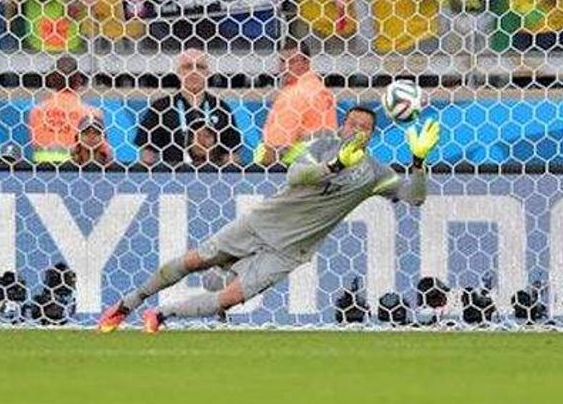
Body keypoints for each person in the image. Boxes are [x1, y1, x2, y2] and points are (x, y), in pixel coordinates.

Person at [100, 107, 441, 332]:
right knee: (194, 260)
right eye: (353, 123)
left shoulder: (375, 173)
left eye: (364, 128)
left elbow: (416, 197)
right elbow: (295, 176)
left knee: (231, 297)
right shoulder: (322, 147)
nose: (357, 130)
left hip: (290, 250)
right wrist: (334, 165)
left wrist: (418, 161)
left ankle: (161, 315)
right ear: (342, 125)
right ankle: (128, 304)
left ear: (371, 136)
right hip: (261, 223)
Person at [135, 48, 241, 167]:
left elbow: (231, 155)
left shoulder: (221, 108)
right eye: (188, 66)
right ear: (178, 72)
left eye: (200, 67)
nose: (194, 72)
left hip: (211, 176)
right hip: (173, 176)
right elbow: (148, 155)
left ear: (208, 73)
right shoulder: (161, 108)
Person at [257, 43, 338, 163]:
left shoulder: (296, 94)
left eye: (292, 61)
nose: (285, 67)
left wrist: (262, 170)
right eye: (282, 61)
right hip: (321, 165)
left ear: (307, 63)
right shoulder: (318, 89)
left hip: (291, 166)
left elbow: (277, 145)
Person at [29, 55, 109, 163]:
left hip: (41, 167)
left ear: (51, 80)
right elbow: (103, 153)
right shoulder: (91, 114)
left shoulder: (36, 112)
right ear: (79, 80)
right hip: (75, 168)